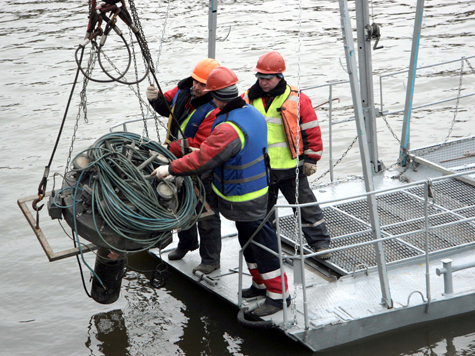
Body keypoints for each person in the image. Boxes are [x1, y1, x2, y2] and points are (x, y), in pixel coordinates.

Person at [153, 66, 289, 316]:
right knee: (249, 241)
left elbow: (203, 160)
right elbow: (232, 150)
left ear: (215, 96)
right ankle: (260, 285)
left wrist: (169, 169)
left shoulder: (228, 127)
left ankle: (279, 297)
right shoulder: (250, 111)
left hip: (245, 196)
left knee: (261, 244)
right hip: (258, 189)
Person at [242, 51, 332, 259]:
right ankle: (269, 246)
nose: (263, 82)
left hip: (291, 167)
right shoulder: (247, 98)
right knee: (263, 211)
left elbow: (311, 129)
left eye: (268, 78)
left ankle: (320, 243)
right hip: (261, 168)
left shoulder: (297, 98)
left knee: (305, 207)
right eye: (260, 78)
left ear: (280, 76)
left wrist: (312, 159)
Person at [146, 58, 222, 274]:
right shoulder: (184, 91)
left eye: (203, 85)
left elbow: (199, 144)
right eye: (196, 81)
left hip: (202, 167)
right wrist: (155, 98)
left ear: (213, 87)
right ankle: (187, 243)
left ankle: (211, 259)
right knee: (181, 205)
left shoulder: (214, 110)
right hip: (177, 161)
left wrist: (166, 151)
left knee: (206, 212)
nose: (197, 87)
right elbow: (166, 106)